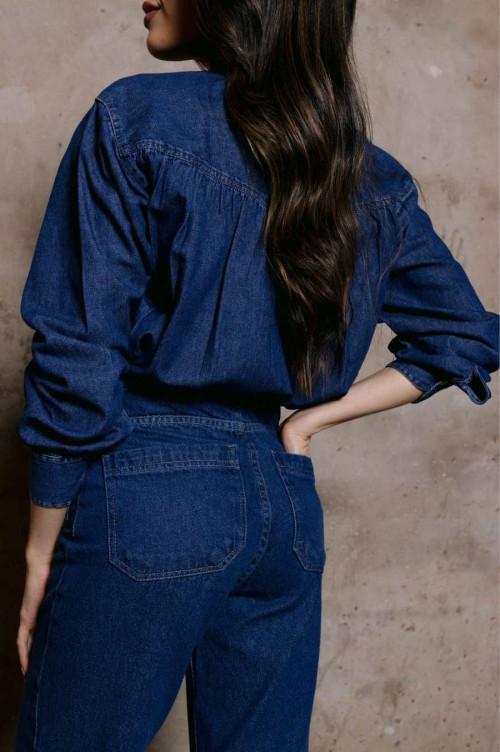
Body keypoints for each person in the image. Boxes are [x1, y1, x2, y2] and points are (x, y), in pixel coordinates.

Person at [14, 1, 499, 750]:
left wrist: (40, 545)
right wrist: (304, 424)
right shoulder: (366, 174)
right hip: (283, 504)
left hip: (148, 490)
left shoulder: (135, 117)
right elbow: (464, 334)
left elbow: (80, 350)